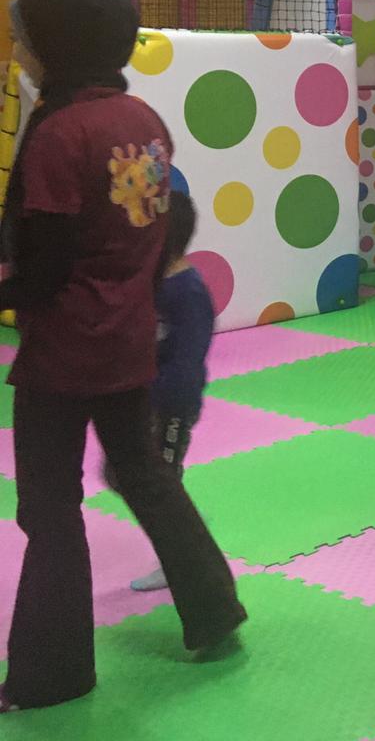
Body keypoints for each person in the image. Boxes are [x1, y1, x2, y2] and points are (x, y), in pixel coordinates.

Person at [1, 0, 245, 712]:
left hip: (64, 351)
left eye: (27, 35)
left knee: (49, 508)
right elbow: (150, 229)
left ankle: (53, 673)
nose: (19, 46)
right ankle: (214, 607)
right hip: (128, 341)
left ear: (60, 42)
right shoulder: (141, 117)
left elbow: (44, 265)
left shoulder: (59, 132)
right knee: (144, 475)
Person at [105, 190, 215, 593]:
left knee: (160, 483)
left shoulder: (188, 293)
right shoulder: (151, 283)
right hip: (144, 402)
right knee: (120, 474)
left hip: (172, 407)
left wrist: (165, 403)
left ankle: (177, 558)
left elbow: (188, 363)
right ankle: (181, 533)